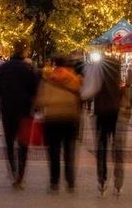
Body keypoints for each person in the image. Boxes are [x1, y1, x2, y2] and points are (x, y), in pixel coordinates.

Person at [0, 41, 38, 188]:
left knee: (10, 142)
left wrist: (5, 92)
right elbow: (35, 89)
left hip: (8, 110)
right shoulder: (28, 69)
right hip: (24, 111)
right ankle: (20, 175)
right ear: (23, 53)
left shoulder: (3, 68)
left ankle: (13, 170)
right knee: (23, 144)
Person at [36, 54, 83, 193]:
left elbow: (40, 101)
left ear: (55, 64)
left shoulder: (48, 79)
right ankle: (70, 182)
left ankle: (54, 182)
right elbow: (83, 96)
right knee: (69, 151)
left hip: (52, 119)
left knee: (53, 152)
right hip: (70, 118)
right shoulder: (75, 79)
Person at [81, 53, 125, 196]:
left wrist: (81, 95)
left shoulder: (97, 72)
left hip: (101, 113)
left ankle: (102, 179)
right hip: (115, 112)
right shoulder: (116, 74)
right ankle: (118, 182)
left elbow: (90, 90)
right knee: (117, 148)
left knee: (102, 147)